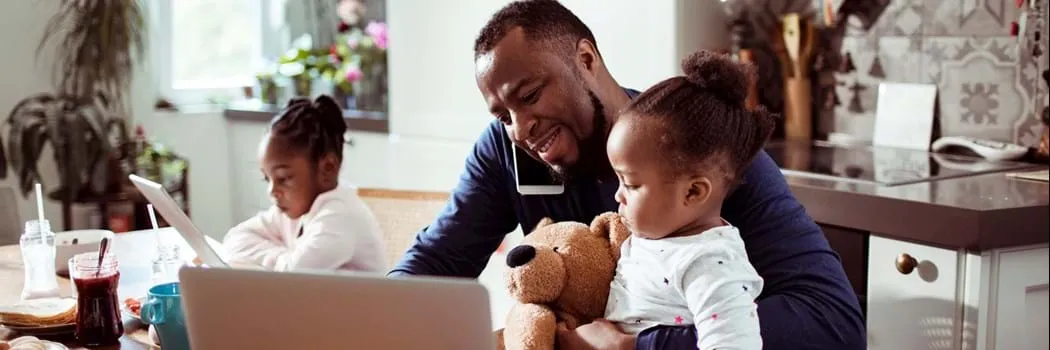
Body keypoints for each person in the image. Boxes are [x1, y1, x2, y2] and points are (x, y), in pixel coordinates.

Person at [389, 1, 865, 349]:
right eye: (502, 116)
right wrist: (373, 315)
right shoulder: (505, 152)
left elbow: (833, 323)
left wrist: (638, 346)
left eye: (530, 95)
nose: (520, 129)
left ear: (586, 60)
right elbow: (438, 261)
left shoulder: (700, 152)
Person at [602, 50, 773, 350]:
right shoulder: (655, 238)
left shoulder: (709, 264)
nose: (618, 195)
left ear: (693, 192)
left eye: (630, 184)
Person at [223, 95, 386, 273]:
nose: (272, 190)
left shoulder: (341, 216)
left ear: (328, 168)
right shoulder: (291, 211)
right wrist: (284, 257)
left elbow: (294, 273)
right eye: (267, 179)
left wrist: (282, 260)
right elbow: (234, 239)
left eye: (283, 178)